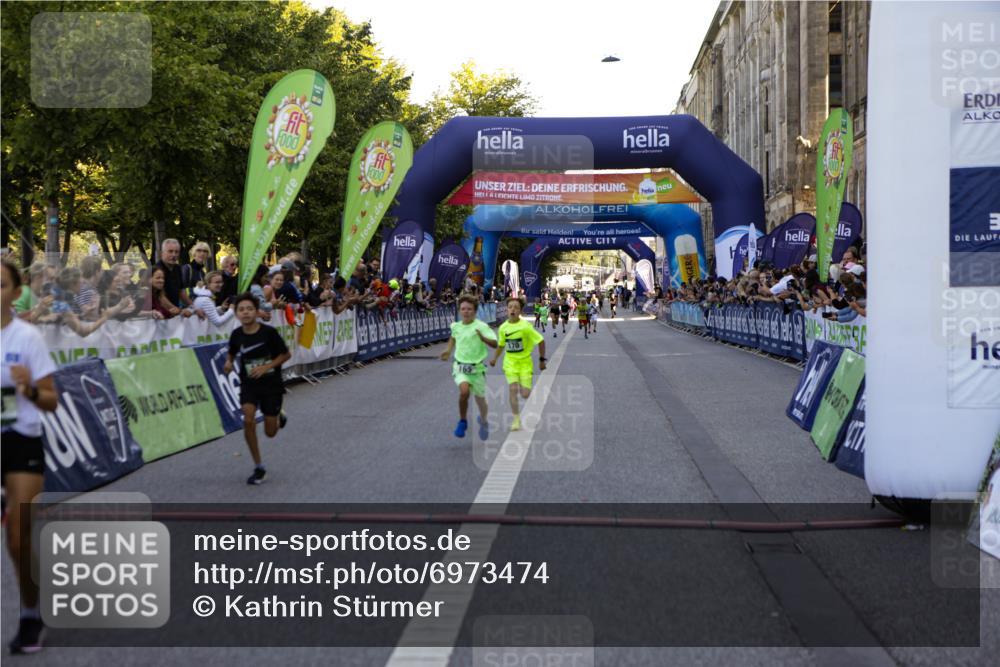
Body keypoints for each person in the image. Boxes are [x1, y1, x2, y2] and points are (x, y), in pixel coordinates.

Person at [1, 258, 59, 654]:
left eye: (0, 285)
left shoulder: (27, 338)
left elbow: (52, 400)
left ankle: (30, 613)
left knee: (18, 538)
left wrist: (30, 390)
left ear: (16, 292)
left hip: (20, 439)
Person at [223, 293, 292, 485]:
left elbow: (286, 355)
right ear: (236, 314)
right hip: (249, 384)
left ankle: (278, 415)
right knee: (248, 420)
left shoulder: (268, 333)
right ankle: (258, 467)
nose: (245, 313)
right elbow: (232, 352)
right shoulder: (237, 335)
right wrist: (229, 362)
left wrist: (266, 367)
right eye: (241, 310)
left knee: (270, 432)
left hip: (271, 385)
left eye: (249, 309)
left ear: (256, 312)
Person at [439, 294, 498, 439]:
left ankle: (483, 420)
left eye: (469, 309)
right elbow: (453, 337)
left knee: (480, 401)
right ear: (459, 310)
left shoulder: (481, 326)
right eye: (463, 309)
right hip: (460, 367)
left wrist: (483, 338)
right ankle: (463, 421)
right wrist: (448, 350)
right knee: (464, 392)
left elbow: (495, 344)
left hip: (477, 369)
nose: (466, 312)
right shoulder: (456, 326)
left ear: (475, 311)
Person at [490, 297, 546, 432]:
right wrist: (495, 358)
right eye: (510, 307)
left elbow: (541, 341)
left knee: (525, 394)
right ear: (506, 310)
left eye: (516, 307)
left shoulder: (526, 327)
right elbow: (501, 345)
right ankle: (516, 419)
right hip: (510, 363)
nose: (512, 310)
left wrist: (541, 360)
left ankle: (524, 388)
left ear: (520, 311)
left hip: (525, 363)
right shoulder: (503, 328)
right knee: (513, 389)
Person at [156, 238, 193, 309]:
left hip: (175, 310)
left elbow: (181, 292)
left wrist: (194, 307)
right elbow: (160, 297)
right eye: (170, 251)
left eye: (176, 252)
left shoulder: (178, 268)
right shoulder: (156, 270)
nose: (174, 255)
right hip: (160, 312)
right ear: (162, 253)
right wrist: (178, 310)